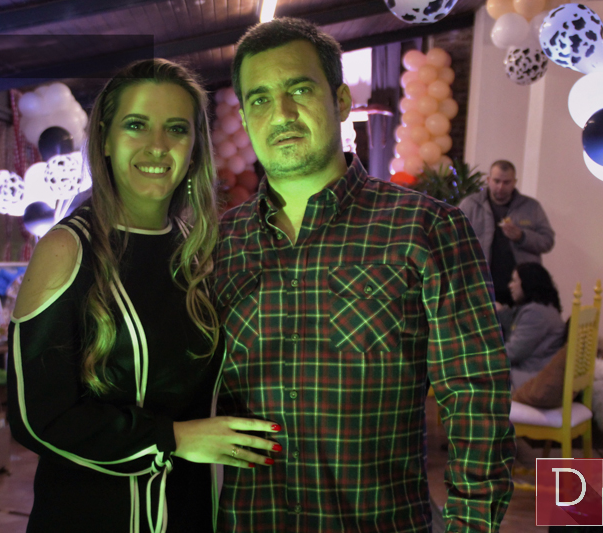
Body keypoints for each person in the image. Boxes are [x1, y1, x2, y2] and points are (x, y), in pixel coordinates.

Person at [214, 18, 515, 532]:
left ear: (340, 101)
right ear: (245, 117)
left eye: (299, 89)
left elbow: (476, 398)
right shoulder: (219, 243)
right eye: (260, 99)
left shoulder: (426, 228)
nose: (281, 113)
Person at [7, 59, 279, 533]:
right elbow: (37, 417)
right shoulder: (67, 248)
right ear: (105, 140)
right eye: (136, 125)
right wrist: (172, 439)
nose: (158, 145)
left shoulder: (196, 251)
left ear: (195, 148)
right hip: (90, 518)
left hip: (190, 513)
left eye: (176, 128)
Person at [458, 160, 555, 305]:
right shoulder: (470, 205)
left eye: (506, 182)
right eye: (496, 181)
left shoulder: (531, 207)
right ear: (488, 180)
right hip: (480, 286)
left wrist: (522, 237)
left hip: (522, 289)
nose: (501, 187)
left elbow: (547, 241)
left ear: (514, 182)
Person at [496, 263, 566, 389]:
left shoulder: (535, 313)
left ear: (528, 283)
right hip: (535, 372)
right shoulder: (544, 308)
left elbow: (514, 352)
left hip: (532, 377)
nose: (510, 285)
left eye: (514, 281)